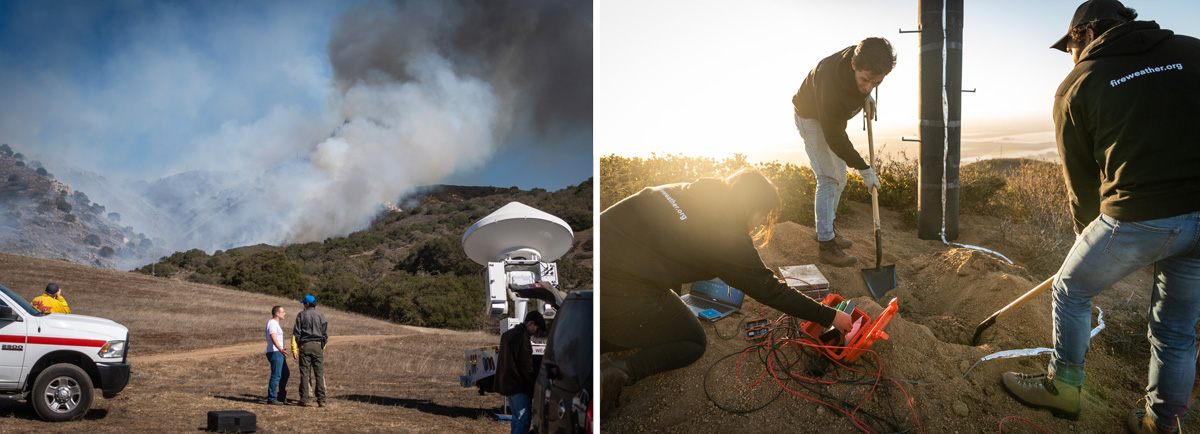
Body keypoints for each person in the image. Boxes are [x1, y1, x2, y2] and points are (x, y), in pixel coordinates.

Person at [998, 2, 1200, 433]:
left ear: (1085, 34)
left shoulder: (1078, 83)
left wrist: (1084, 237)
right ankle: (1161, 424)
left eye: (1069, 45)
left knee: (1071, 290)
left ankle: (1063, 388)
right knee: (1177, 329)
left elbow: (1081, 181)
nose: (1070, 55)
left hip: (1139, 214)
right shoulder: (1193, 50)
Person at [599, 168, 853, 411]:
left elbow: (661, 239)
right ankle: (613, 373)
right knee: (693, 341)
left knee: (656, 301)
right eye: (764, 211)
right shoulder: (726, 235)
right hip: (619, 285)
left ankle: (600, 333)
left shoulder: (696, 191)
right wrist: (829, 316)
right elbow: (769, 289)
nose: (764, 220)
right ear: (748, 204)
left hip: (601, 257)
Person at [792, 37, 895, 267]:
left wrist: (866, 96)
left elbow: (864, 84)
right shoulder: (832, 83)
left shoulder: (864, 57)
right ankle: (826, 246)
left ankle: (827, 230)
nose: (868, 86)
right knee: (828, 177)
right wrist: (865, 168)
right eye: (864, 81)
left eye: (875, 83)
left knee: (840, 178)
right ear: (853, 66)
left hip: (830, 120)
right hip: (811, 117)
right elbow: (835, 137)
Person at [494, 311, 545, 434]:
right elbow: (526, 367)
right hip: (519, 386)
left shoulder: (507, 334)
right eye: (536, 328)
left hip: (508, 385)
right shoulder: (522, 337)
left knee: (517, 419)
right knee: (523, 420)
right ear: (531, 323)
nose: (536, 332)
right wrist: (536, 385)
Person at [292, 294, 329, 408]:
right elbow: (325, 334)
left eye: (304, 303)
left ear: (307, 304)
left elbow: (297, 333)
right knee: (319, 373)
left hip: (305, 346)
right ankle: (321, 400)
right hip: (318, 346)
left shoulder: (301, 315)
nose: (303, 305)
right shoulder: (321, 315)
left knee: (305, 372)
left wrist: (298, 346)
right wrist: (321, 345)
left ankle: (305, 398)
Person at [265, 305, 290, 405]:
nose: (285, 313)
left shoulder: (275, 324)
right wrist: (280, 349)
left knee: (285, 373)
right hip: (275, 352)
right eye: (282, 312)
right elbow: (273, 337)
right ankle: (272, 398)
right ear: (277, 313)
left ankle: (281, 396)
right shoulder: (272, 324)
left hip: (278, 352)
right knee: (276, 375)